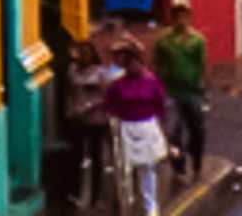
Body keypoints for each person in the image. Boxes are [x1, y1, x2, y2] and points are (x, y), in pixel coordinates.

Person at [108, 40, 173, 216]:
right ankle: (126, 203)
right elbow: (111, 106)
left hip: (147, 126)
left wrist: (162, 129)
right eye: (129, 64)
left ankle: (150, 206)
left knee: (148, 168)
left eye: (136, 63)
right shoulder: (118, 85)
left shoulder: (152, 82)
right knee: (125, 169)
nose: (134, 67)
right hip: (127, 127)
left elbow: (160, 105)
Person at [155, 9, 208, 183]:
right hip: (170, 92)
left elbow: (203, 65)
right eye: (177, 18)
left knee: (197, 130)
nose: (180, 21)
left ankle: (196, 159)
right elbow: (157, 64)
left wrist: (202, 87)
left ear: (189, 19)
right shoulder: (164, 42)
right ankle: (178, 165)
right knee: (173, 132)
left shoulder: (197, 40)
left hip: (192, 92)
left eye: (184, 18)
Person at [71, 35, 115, 206]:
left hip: (97, 120)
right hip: (78, 119)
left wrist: (90, 105)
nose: (83, 56)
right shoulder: (73, 71)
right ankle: (76, 193)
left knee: (97, 157)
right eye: (81, 52)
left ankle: (95, 196)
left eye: (86, 52)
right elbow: (71, 92)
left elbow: (107, 96)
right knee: (77, 157)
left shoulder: (101, 72)